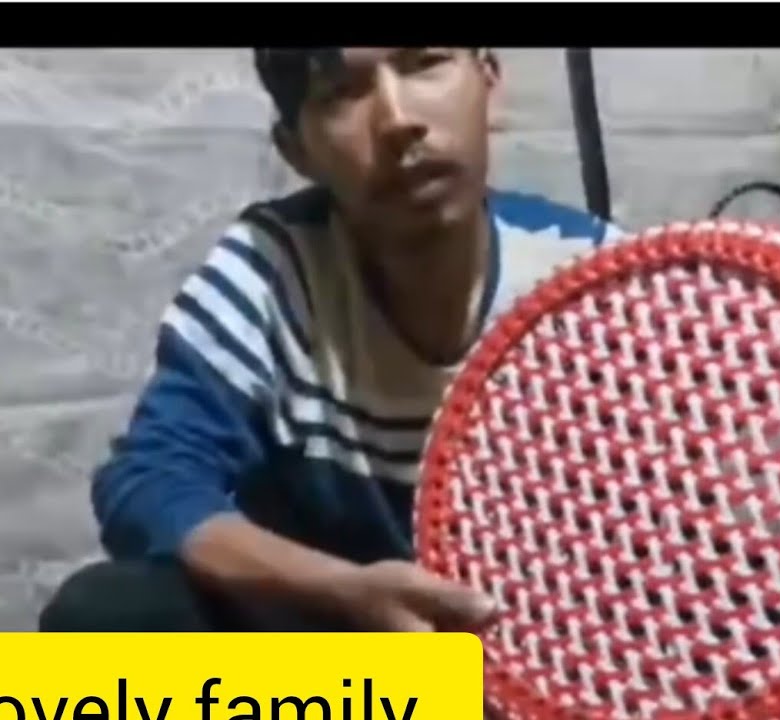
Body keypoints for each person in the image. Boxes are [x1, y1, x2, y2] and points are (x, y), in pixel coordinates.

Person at [38, 47, 625, 632]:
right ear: (297, 150)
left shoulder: (600, 282)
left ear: (489, 85)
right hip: (348, 672)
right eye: (342, 93)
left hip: (543, 664)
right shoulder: (274, 269)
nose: (397, 119)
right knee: (106, 615)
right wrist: (338, 589)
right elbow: (149, 481)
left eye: (425, 63)